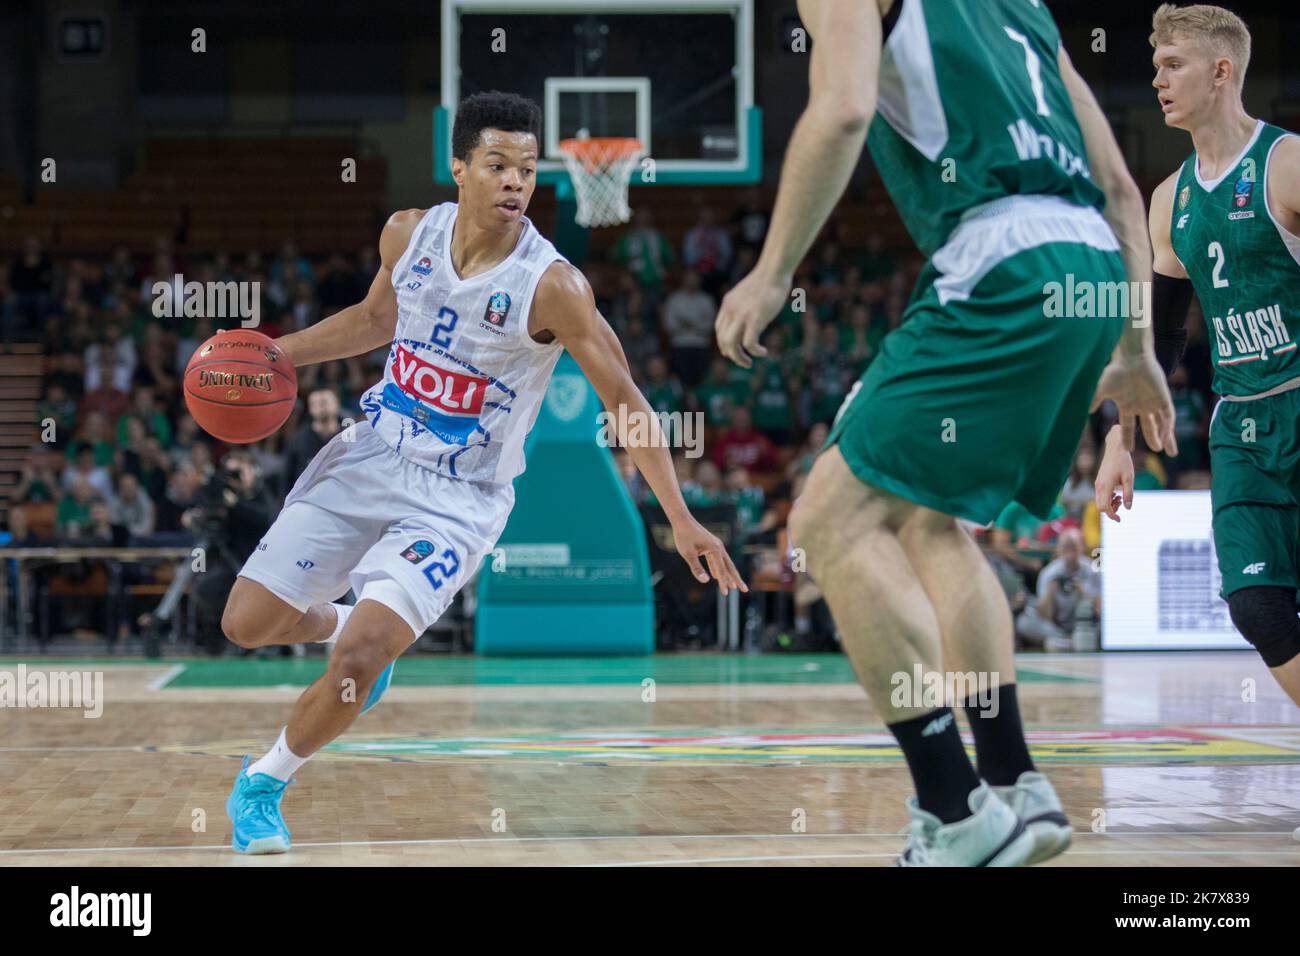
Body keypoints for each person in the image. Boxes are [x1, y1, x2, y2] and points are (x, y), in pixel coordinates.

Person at [221, 90, 744, 855]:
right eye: (498, 165)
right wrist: (273, 354)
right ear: (459, 167)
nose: (514, 183)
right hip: (371, 456)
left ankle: (263, 782)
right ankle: (339, 619)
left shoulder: (553, 286)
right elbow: (375, 321)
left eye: (527, 170)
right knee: (246, 624)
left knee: (359, 662)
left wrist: (678, 515)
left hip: (458, 500)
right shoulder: (408, 233)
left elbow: (627, 402)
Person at [715, 0, 1174, 866]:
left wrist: (774, 273)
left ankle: (952, 804)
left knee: (826, 524)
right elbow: (1119, 185)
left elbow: (845, 107)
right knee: (929, 523)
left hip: (1002, 262)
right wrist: (1135, 349)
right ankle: (1014, 783)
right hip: (1092, 270)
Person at [1096, 6, 1300, 721]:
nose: (1157, 79)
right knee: (1258, 609)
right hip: (1242, 423)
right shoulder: (1168, 201)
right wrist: (1119, 445)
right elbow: (1159, 346)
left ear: (1221, 72)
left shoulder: (1289, 164)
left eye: (1172, 64)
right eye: (1155, 66)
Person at [1014, 529, 1101, 653]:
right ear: (1058, 549)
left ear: (1081, 547)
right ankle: (1065, 640)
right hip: (1055, 626)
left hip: (1083, 625)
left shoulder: (1092, 571)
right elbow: (1045, 615)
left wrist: (1083, 592)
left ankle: (1065, 642)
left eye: (1073, 547)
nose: (1069, 552)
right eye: (1065, 547)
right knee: (1024, 623)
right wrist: (1051, 591)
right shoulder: (1049, 573)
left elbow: (1099, 610)